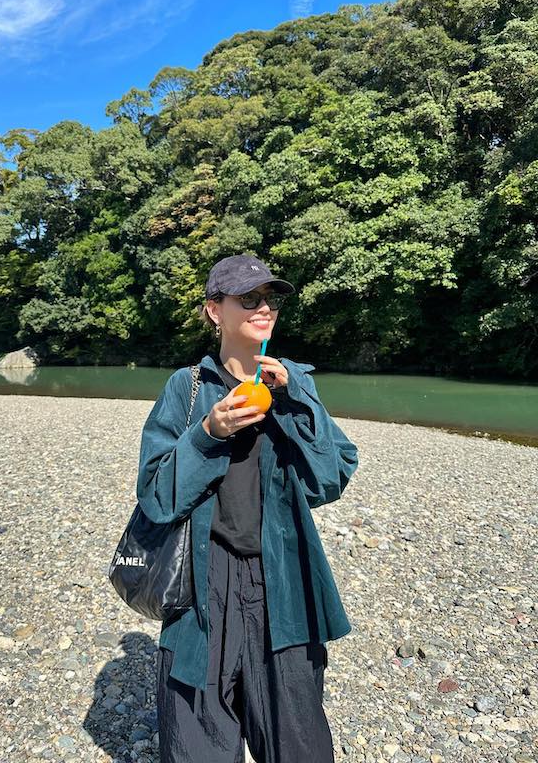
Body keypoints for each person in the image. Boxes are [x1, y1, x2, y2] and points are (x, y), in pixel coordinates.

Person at [135, 254, 359, 762]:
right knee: (198, 742)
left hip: (284, 582)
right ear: (215, 311)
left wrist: (296, 403)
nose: (264, 308)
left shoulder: (293, 381)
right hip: (202, 585)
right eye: (249, 298)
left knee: (296, 740)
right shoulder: (186, 388)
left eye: (271, 299)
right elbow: (155, 496)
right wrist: (208, 433)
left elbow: (331, 478)